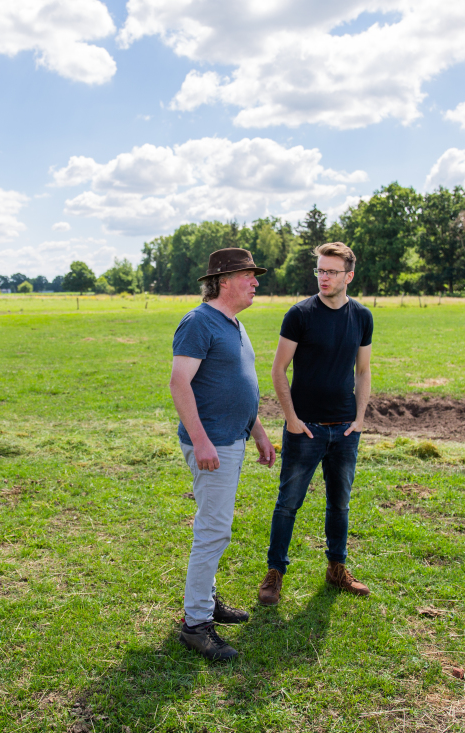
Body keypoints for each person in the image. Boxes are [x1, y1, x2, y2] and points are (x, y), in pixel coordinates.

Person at [169, 248, 277, 661]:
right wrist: (200, 441)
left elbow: (239, 387)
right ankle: (196, 624)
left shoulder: (234, 324)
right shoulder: (199, 322)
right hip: (211, 443)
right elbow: (180, 384)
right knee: (214, 529)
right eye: (249, 276)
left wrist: (260, 433)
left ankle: (207, 600)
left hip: (233, 438)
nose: (255, 282)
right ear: (225, 280)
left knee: (214, 524)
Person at [258, 242, 373, 606]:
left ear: (349, 276)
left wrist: (360, 418)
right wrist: (291, 420)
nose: (323, 277)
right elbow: (278, 370)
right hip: (304, 428)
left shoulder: (362, 316)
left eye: (331, 271)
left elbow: (364, 370)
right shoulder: (300, 314)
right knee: (288, 503)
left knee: (340, 504)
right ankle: (275, 572)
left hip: (344, 430)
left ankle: (336, 569)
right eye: (320, 271)